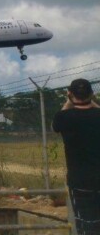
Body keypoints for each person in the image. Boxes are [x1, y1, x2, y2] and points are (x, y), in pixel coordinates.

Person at [52, 78, 100, 234]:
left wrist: (68, 101)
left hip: (79, 180)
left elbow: (55, 126)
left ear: (70, 94)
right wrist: (91, 103)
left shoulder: (63, 117)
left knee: (86, 223)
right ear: (91, 94)